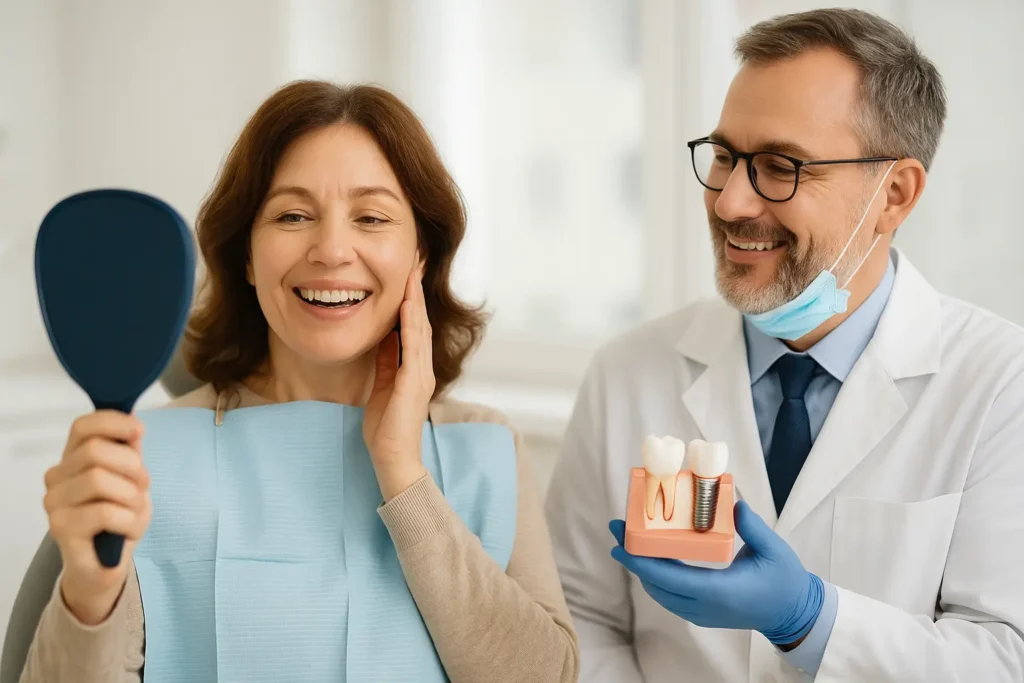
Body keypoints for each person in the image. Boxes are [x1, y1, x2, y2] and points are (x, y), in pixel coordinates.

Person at [19, 80, 579, 683]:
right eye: (292, 215)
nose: (332, 249)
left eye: (371, 217)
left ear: (420, 255)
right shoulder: (142, 456)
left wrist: (402, 472)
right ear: (247, 257)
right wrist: (89, 588)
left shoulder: (487, 447)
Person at [545, 8, 1024, 682]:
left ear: (894, 194)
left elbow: (1006, 656)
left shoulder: (1001, 384)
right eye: (724, 156)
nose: (730, 201)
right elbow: (579, 619)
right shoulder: (627, 371)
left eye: (780, 166)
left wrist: (811, 619)